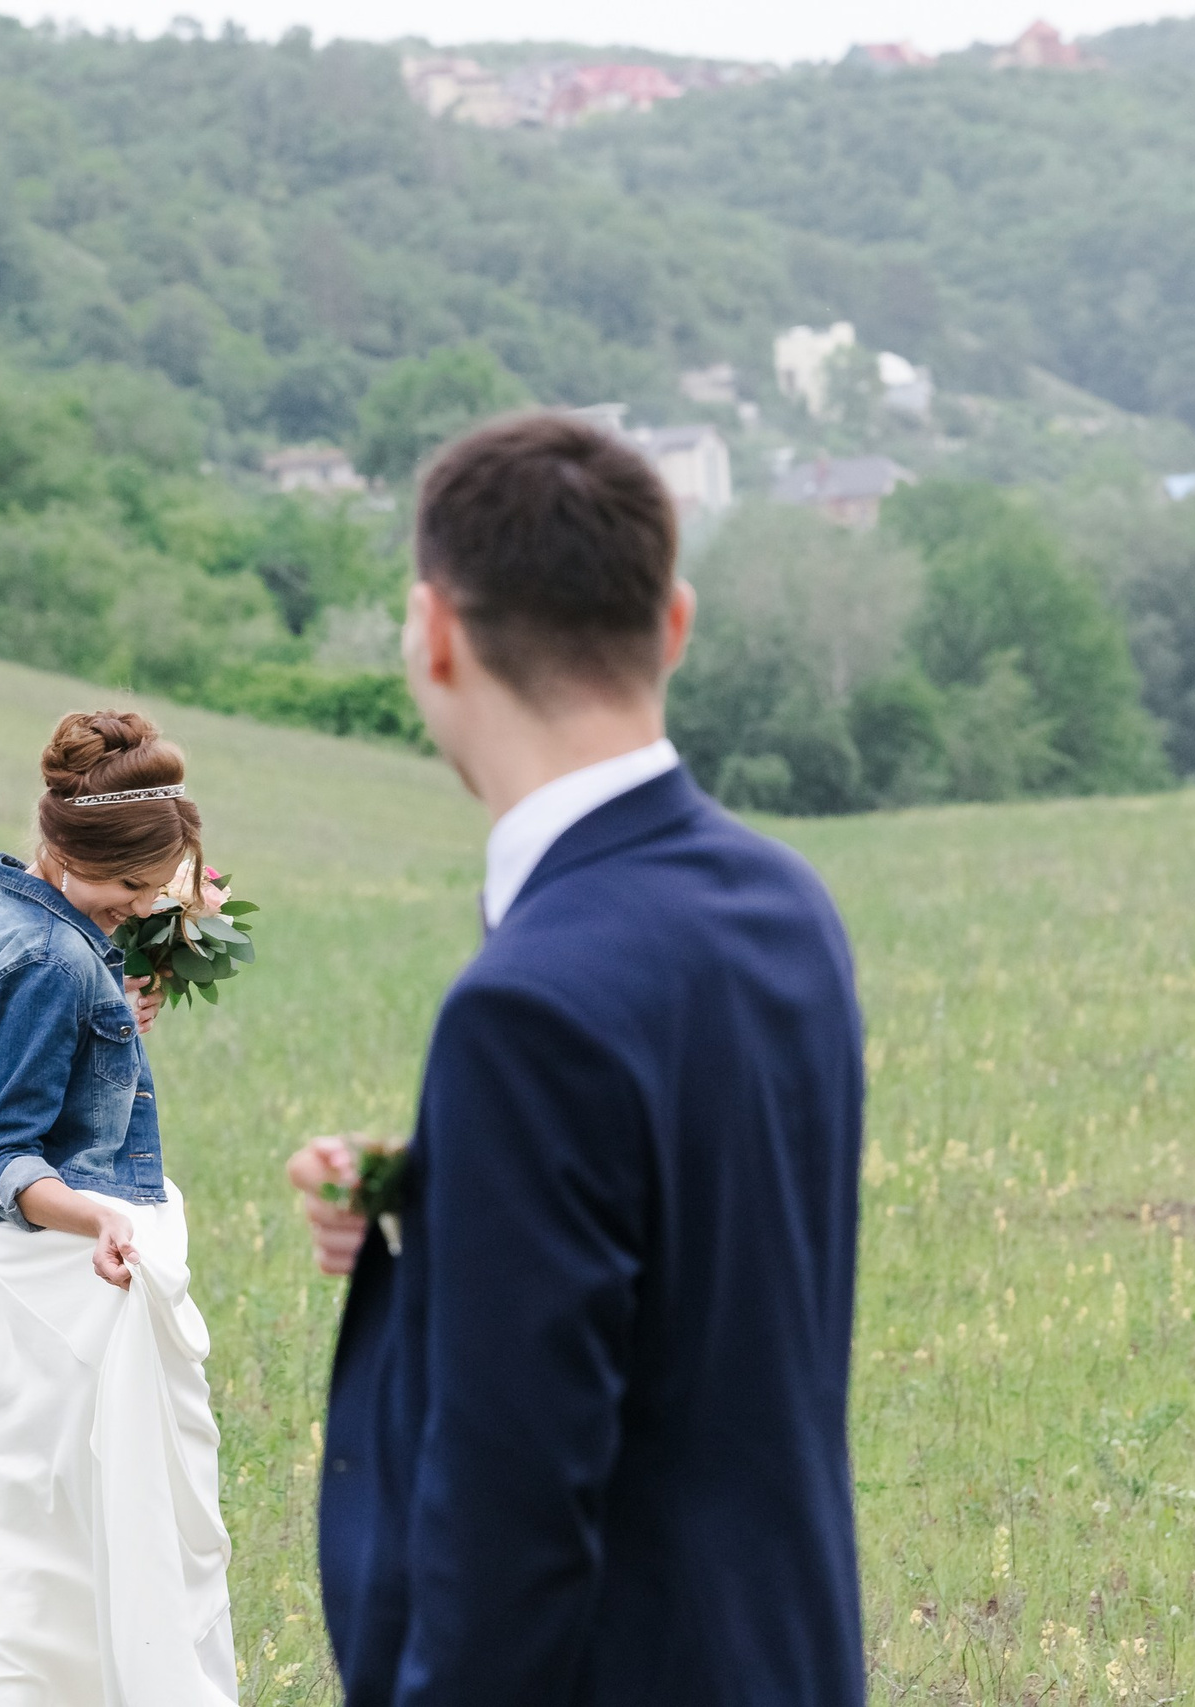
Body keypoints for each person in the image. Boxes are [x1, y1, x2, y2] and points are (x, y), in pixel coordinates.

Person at [287, 414, 867, 1705]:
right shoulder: (784, 903)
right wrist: (440, 1188)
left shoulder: (525, 1009)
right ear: (674, 622)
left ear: (433, 633)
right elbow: (694, 1225)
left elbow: (513, 1524)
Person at [0, 709, 240, 1707]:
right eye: (127, 887)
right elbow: (4, 1156)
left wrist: (107, 1024)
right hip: (42, 1271)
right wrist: (101, 1221)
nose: (138, 906)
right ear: (61, 846)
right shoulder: (54, 961)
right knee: (75, 1547)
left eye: (151, 885)